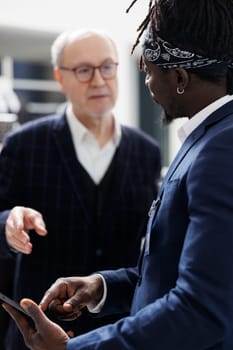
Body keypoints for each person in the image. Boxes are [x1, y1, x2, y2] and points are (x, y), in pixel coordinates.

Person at [7, 0, 233, 348]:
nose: (145, 81)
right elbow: (171, 263)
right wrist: (104, 286)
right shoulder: (203, 140)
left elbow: (202, 307)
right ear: (60, 79)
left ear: (179, 78)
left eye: (146, 70)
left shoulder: (214, 151)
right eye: (83, 70)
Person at [0, 27, 161, 349]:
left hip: (117, 331)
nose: (99, 81)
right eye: (84, 70)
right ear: (61, 78)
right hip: (38, 331)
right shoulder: (23, 144)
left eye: (107, 67)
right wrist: (7, 223)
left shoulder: (147, 151)